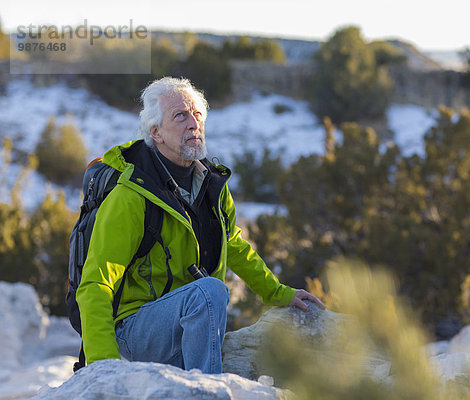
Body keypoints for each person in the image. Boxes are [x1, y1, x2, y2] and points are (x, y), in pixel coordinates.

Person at [76, 77, 325, 373]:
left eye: (197, 115)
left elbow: (234, 245)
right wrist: (103, 365)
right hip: (133, 332)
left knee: (209, 292)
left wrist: (278, 292)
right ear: (156, 132)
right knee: (210, 291)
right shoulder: (130, 196)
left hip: (186, 325)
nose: (193, 123)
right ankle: (206, 389)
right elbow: (96, 283)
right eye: (180, 116)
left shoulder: (212, 186)